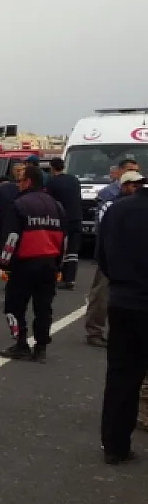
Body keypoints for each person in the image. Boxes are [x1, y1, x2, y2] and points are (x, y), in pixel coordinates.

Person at [96, 171, 148, 465]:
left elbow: (102, 256)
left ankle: (115, 446)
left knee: (122, 377)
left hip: (125, 302)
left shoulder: (118, 209)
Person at [0, 165, 66, 363]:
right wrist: (59, 266)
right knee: (43, 308)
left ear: (28, 182)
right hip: (49, 265)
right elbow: (64, 240)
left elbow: (11, 238)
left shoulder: (18, 204)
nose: (17, 184)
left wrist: (4, 264)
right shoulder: (57, 206)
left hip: (24, 265)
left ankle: (21, 344)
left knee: (13, 306)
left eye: (19, 180)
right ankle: (41, 348)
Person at [84, 170, 145, 347]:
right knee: (101, 295)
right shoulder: (111, 205)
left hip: (133, 259)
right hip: (113, 257)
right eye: (134, 185)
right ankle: (94, 330)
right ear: (124, 186)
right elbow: (104, 232)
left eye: (139, 185)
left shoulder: (137, 206)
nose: (137, 188)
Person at [45, 157, 83, 290]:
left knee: (59, 249)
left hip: (61, 219)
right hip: (77, 217)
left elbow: (50, 202)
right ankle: (70, 279)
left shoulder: (52, 182)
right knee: (73, 250)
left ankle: (56, 276)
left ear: (52, 168)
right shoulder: (74, 179)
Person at [0, 163, 25, 249]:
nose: (18, 173)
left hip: (6, 229)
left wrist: (1, 226)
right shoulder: (32, 191)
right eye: (18, 170)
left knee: (6, 255)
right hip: (25, 230)